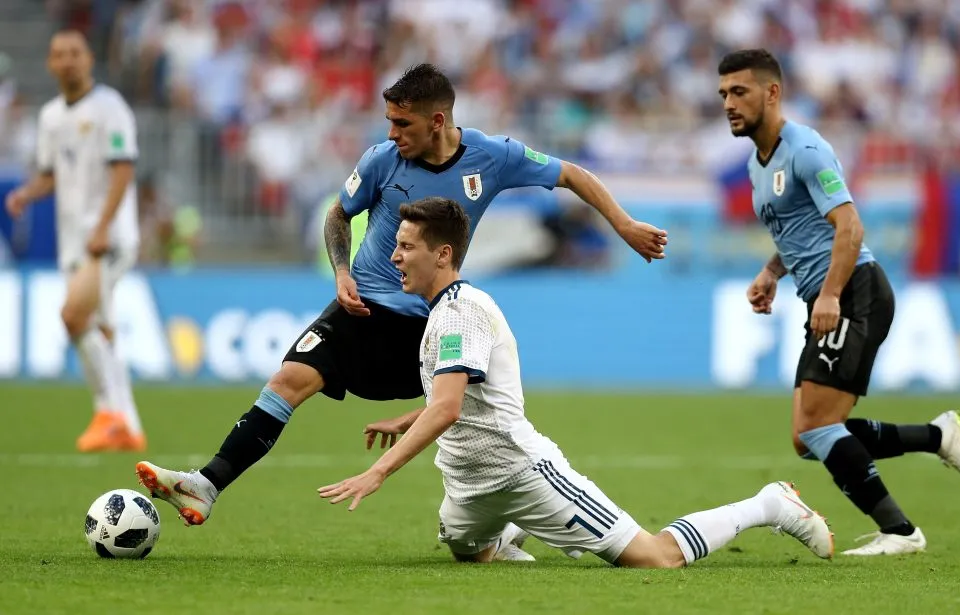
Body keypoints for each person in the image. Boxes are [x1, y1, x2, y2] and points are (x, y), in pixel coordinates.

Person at [136, 63, 668, 533]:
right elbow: (338, 214)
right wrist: (341, 272)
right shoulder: (380, 160)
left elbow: (570, 174)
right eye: (388, 122)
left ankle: (497, 522)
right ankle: (206, 485)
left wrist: (623, 225)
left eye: (402, 124)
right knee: (286, 380)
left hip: (424, 327)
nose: (392, 135)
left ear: (438, 121)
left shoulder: (493, 157)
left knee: (472, 419)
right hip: (359, 306)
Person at [318, 196, 834, 566]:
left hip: (521, 471)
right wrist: (410, 415)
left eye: (406, 246)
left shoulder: (460, 313)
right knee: (470, 552)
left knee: (654, 557)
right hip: (469, 485)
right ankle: (515, 529)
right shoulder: (439, 312)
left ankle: (767, 503)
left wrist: (379, 472)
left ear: (444, 254)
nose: (393, 256)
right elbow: (460, 393)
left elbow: (449, 407)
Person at [717, 48, 960, 556]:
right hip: (825, 293)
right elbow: (800, 227)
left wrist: (832, 294)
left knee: (818, 426)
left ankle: (901, 532)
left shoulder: (806, 149)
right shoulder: (758, 162)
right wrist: (772, 271)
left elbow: (850, 224)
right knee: (806, 436)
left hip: (854, 290)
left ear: (772, 93)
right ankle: (937, 436)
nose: (729, 103)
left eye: (740, 92)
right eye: (724, 94)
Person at [5, 30, 144, 452]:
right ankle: (124, 423)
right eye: (59, 54)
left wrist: (103, 225)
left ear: (88, 60)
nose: (67, 61)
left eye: (75, 53)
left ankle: (111, 413)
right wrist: (27, 193)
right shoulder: (50, 117)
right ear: (50, 64)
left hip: (108, 236)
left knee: (72, 316)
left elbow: (123, 168)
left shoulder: (109, 108)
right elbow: (52, 172)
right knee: (100, 327)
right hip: (73, 241)